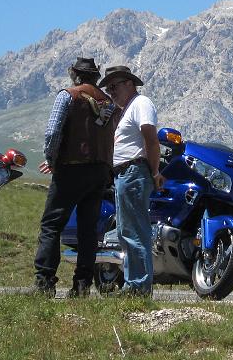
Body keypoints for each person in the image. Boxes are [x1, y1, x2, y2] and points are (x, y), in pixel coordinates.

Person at [33, 57, 118, 297]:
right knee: (88, 230)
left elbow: (52, 132)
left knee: (51, 225)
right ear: (95, 76)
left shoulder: (67, 96)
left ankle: (44, 282)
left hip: (70, 169)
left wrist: (52, 160)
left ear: (75, 74)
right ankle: (82, 286)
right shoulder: (108, 102)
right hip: (99, 171)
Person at [98, 65, 164, 296]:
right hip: (125, 175)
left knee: (134, 231)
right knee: (127, 230)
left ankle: (138, 286)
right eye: (108, 89)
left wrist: (154, 172)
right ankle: (134, 283)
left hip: (134, 172)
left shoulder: (141, 103)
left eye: (114, 86)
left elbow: (151, 139)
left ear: (129, 84)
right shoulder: (127, 109)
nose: (111, 92)